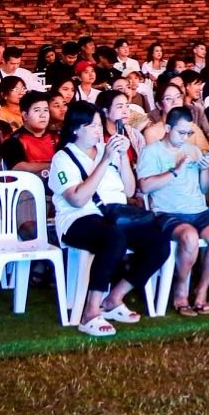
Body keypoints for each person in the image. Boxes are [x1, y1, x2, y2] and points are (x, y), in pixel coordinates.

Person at [49, 101, 167, 336]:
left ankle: (115, 297)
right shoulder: (63, 158)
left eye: (98, 125)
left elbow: (130, 190)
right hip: (78, 219)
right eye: (91, 126)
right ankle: (90, 312)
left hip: (115, 214)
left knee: (158, 242)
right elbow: (77, 199)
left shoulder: (108, 149)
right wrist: (104, 161)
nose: (97, 130)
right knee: (112, 238)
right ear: (75, 129)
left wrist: (122, 157)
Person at [135, 107, 209, 316]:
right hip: (167, 212)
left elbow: (204, 188)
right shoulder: (151, 152)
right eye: (181, 132)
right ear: (168, 128)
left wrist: (205, 168)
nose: (185, 137)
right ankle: (180, 289)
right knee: (189, 236)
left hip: (198, 209)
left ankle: (202, 290)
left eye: (189, 133)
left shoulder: (193, 150)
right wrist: (174, 171)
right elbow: (144, 187)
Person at [0, 92, 58, 174]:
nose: (43, 115)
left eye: (45, 110)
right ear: (25, 115)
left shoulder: (57, 137)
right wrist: (54, 166)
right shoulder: (13, 141)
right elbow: (18, 167)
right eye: (37, 110)